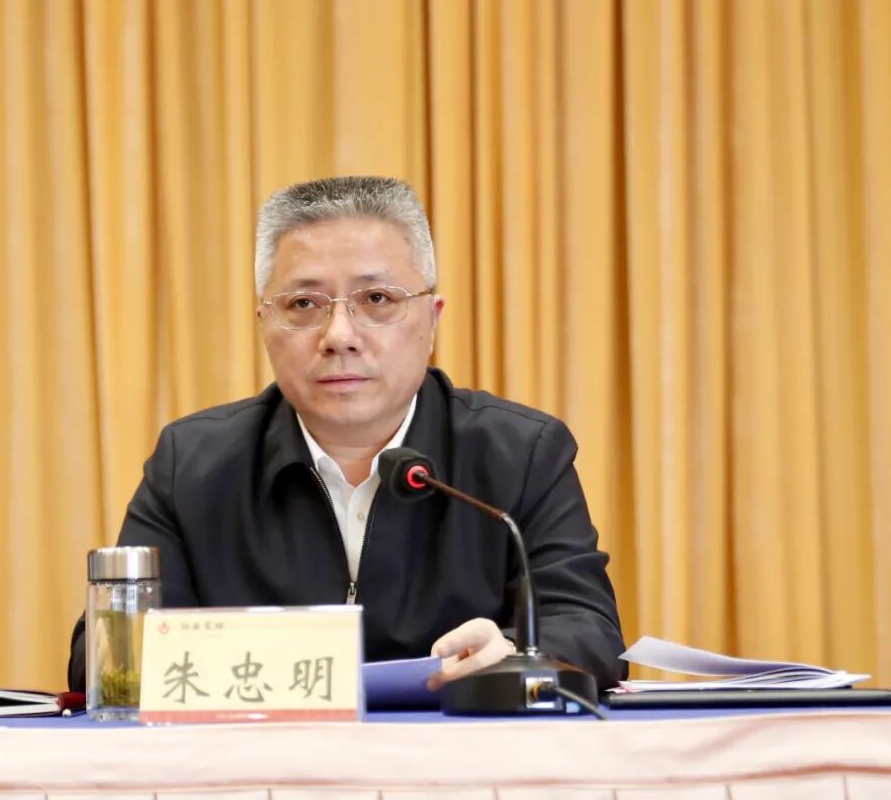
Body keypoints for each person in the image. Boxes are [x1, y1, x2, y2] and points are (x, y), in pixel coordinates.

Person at [68, 176, 626, 692]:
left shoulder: (519, 453)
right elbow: (106, 659)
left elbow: (588, 628)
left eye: (377, 300)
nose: (339, 335)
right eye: (303, 304)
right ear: (264, 324)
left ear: (432, 319)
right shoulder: (193, 464)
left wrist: (516, 656)